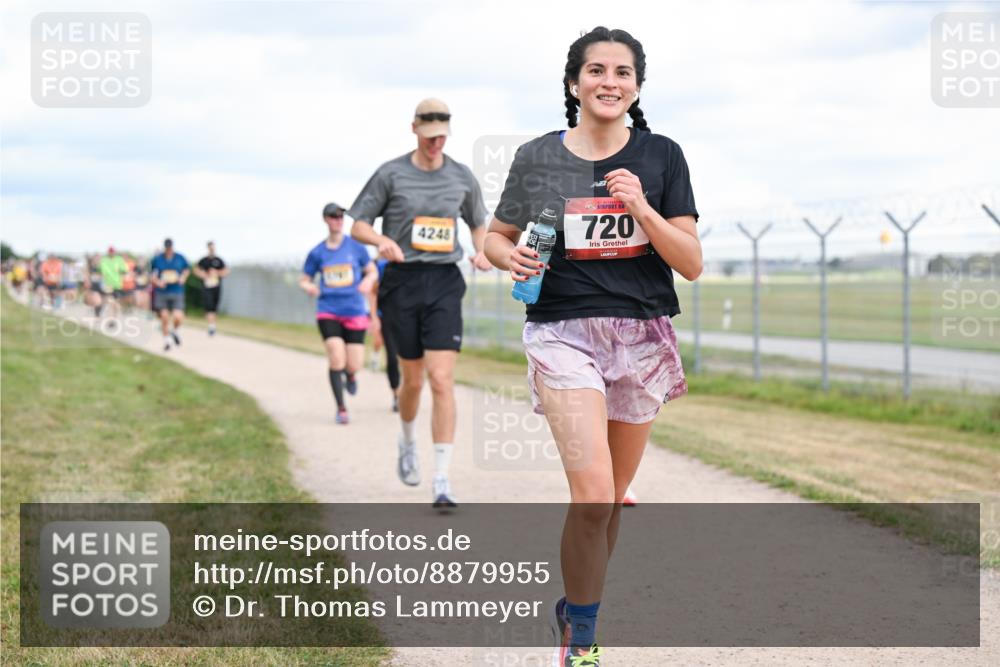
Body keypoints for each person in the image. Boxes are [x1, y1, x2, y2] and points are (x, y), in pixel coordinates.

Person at [483, 27, 701, 666]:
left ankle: (574, 608)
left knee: (610, 506)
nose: (611, 82)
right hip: (561, 332)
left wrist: (643, 210)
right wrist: (510, 256)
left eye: (624, 72)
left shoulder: (663, 156)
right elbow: (496, 238)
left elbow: (690, 262)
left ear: (637, 86)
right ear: (574, 82)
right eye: (597, 70)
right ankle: (584, 640)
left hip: (641, 334)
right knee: (594, 496)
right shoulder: (536, 156)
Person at [349, 97, 492, 508]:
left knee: (442, 379)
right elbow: (359, 221)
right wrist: (381, 240)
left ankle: (442, 479)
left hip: (445, 280)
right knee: (412, 381)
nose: (435, 143)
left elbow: (478, 221)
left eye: (441, 137)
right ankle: (408, 442)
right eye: (428, 137)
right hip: (402, 281)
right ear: (414, 129)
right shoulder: (390, 174)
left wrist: (482, 251)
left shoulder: (462, 177)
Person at [299, 203, 377, 425]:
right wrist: (310, 287)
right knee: (336, 357)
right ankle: (341, 408)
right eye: (333, 217)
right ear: (326, 220)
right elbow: (304, 279)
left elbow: (370, 271)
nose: (338, 220)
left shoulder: (356, 248)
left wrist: (367, 281)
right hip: (328, 310)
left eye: (341, 217)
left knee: (354, 364)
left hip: (353, 310)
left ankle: (351, 375)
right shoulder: (317, 252)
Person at [369, 258, 401, 413]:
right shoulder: (381, 265)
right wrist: (374, 317)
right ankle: (396, 396)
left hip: (411, 315)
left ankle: (409, 392)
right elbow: (373, 292)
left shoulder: (416, 259)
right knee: (392, 356)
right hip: (387, 315)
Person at [150, 238, 191, 351]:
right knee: (164, 317)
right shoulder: (157, 260)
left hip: (177, 291)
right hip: (162, 292)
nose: (169, 250)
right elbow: (152, 276)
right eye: (167, 248)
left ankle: (175, 331)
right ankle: (167, 340)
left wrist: (183, 277)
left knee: (178, 317)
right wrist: (158, 282)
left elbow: (187, 270)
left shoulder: (180, 258)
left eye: (170, 248)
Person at [194, 241, 229, 336]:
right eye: (210, 248)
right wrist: (204, 275)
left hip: (217, 287)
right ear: (208, 248)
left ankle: (213, 325)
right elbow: (196, 270)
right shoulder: (204, 260)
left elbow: (226, 271)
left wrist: (217, 273)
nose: (212, 249)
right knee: (209, 306)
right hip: (207, 287)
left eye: (213, 248)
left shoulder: (219, 260)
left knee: (215, 307)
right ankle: (211, 326)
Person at [98, 246, 129, 318]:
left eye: (112, 252)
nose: (111, 253)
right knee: (108, 299)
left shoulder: (119, 259)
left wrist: (122, 271)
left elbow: (124, 270)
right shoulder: (104, 259)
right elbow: (100, 270)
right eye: (110, 252)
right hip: (107, 283)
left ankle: (114, 317)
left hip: (117, 284)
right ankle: (104, 312)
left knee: (115, 301)